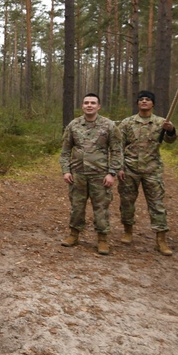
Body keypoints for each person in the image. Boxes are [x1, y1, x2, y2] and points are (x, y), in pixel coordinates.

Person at [60, 93, 122, 255]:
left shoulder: (108, 125)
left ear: (98, 106)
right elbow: (65, 150)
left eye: (93, 103)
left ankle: (102, 239)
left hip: (100, 175)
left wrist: (112, 173)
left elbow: (116, 151)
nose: (89, 105)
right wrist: (66, 171)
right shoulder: (73, 125)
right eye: (86, 102)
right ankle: (74, 235)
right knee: (77, 207)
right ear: (82, 106)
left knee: (101, 207)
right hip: (78, 174)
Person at [117, 90, 177, 255]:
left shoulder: (161, 122)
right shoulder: (127, 123)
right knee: (127, 202)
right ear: (137, 103)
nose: (144, 102)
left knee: (157, 205)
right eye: (141, 99)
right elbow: (118, 147)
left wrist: (171, 130)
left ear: (153, 104)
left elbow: (170, 141)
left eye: (147, 99)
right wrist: (119, 168)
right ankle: (128, 231)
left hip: (152, 170)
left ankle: (161, 239)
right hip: (130, 169)